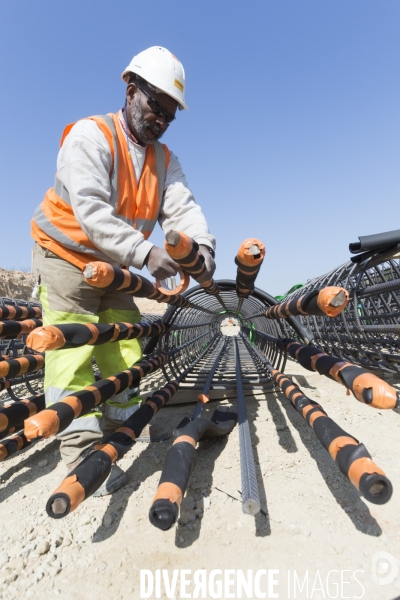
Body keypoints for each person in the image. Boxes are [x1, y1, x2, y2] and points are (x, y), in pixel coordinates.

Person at [30, 46, 216, 495]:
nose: (162, 121)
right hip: (65, 255)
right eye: (157, 107)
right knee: (70, 349)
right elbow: (91, 211)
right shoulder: (90, 136)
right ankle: (78, 447)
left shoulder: (163, 159)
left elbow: (183, 210)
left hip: (116, 263)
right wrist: (147, 253)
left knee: (123, 342)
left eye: (171, 115)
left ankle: (119, 426)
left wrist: (202, 248)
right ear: (131, 92)